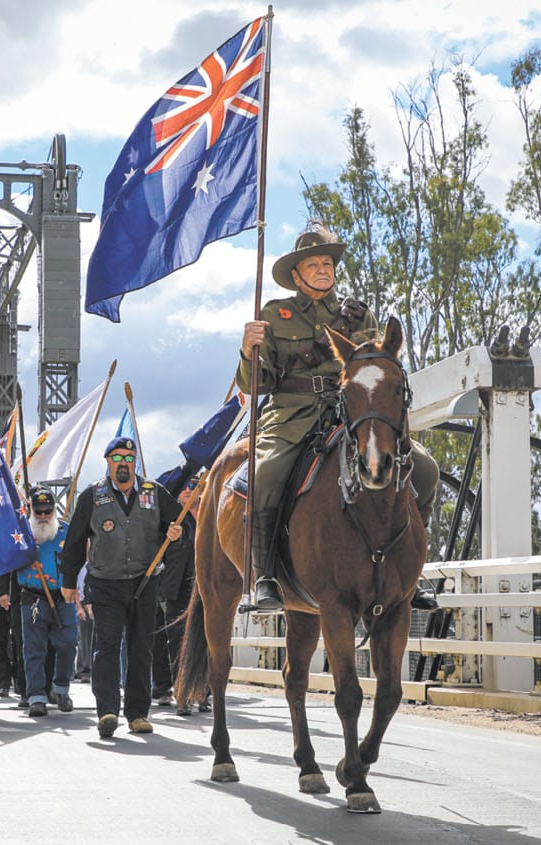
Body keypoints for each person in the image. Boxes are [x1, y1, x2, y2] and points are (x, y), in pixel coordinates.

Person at [238, 221, 441, 613]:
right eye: (312, 265)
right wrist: (249, 351)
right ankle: (264, 578)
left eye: (327, 264)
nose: (322, 270)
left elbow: (369, 367)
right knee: (266, 476)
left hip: (346, 412)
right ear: (295, 275)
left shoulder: (357, 315)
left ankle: (411, 570)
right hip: (292, 415)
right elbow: (258, 383)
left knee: (427, 470)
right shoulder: (273, 316)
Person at [60, 437, 184, 738]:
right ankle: (107, 710)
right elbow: (75, 539)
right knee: (107, 645)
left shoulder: (155, 493)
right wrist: (68, 582)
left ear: (135, 463)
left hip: (144, 582)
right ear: (108, 462)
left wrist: (176, 534)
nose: (124, 463)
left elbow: (178, 529)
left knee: (141, 647)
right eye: (117, 458)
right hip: (105, 584)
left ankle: (138, 713)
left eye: (129, 457)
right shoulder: (93, 495)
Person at [17, 489, 78, 717]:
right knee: (34, 649)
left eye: (47, 511)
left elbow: (79, 560)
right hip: (33, 596)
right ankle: (36, 696)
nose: (43, 516)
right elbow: (7, 560)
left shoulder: (66, 531)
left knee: (68, 644)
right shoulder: (22, 532)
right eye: (38, 511)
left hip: (63, 597)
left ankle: (61, 688)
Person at [151, 475, 202, 715]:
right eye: (188, 486)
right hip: (174, 588)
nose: (192, 490)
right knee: (173, 640)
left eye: (196, 486)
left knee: (206, 640)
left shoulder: (210, 514)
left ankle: (202, 691)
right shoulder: (170, 519)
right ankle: (175, 690)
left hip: (205, 585)